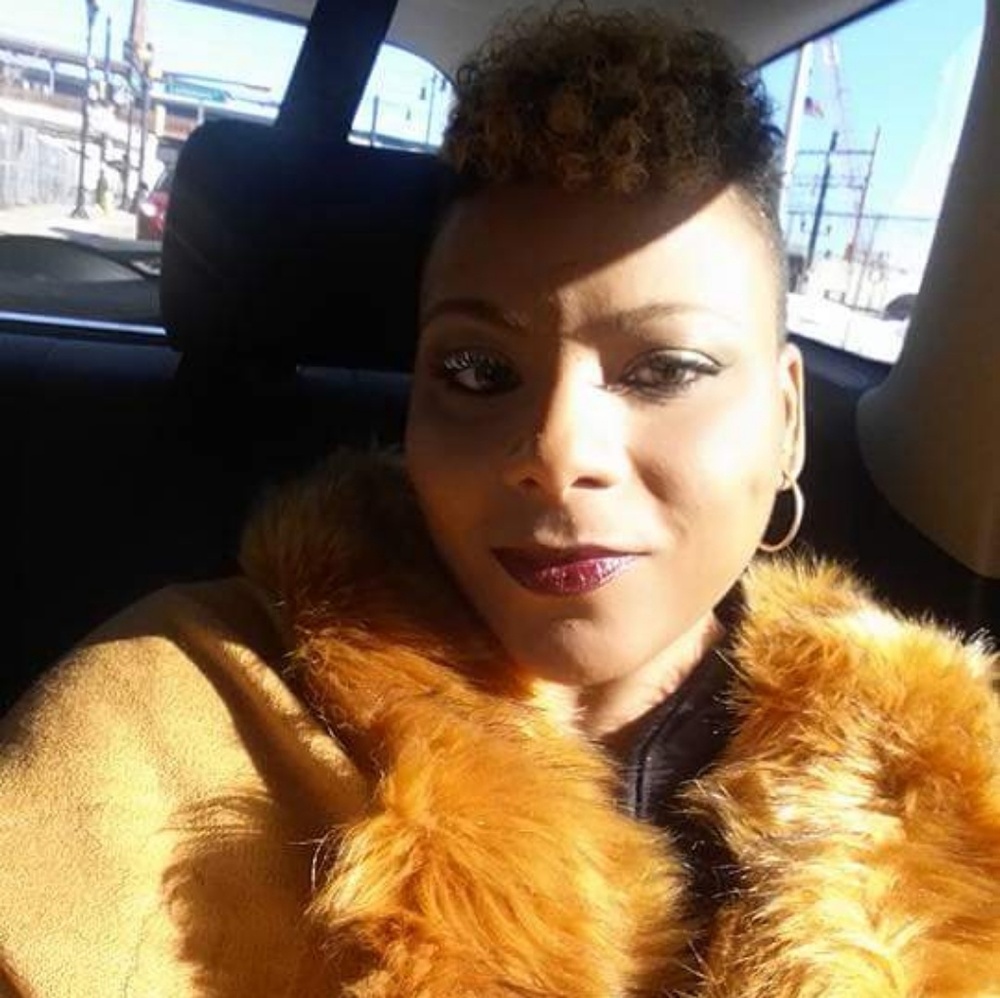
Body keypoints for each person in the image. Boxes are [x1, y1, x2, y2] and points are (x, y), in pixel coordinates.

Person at [2, 7, 999, 997]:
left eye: (665, 368)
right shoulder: (154, 720)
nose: (556, 454)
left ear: (786, 421)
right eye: (478, 370)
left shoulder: (956, 786)